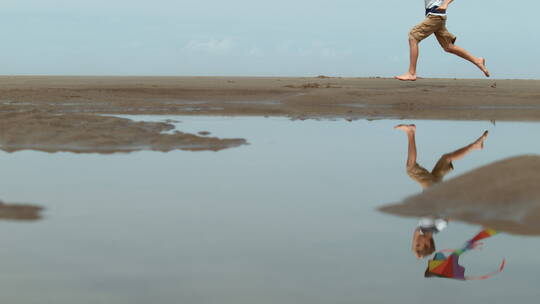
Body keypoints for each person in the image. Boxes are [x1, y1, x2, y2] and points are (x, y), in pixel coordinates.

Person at [395, 124, 488, 258]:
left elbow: (416, 234)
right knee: (411, 169)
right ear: (427, 243)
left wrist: (416, 251)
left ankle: (475, 146)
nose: (417, 243)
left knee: (446, 159)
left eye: (416, 245)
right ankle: (410, 132)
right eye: (419, 245)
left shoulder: (423, 229)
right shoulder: (436, 228)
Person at [395, 0, 490, 81]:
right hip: (437, 16)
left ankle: (411, 73)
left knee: (413, 36)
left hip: (435, 16)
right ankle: (477, 61)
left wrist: (445, 4)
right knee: (448, 46)